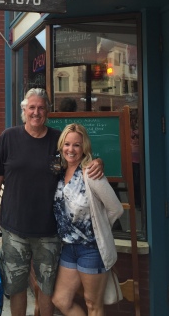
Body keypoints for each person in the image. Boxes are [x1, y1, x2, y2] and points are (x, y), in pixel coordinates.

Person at [0, 88, 103, 316]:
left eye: (41, 108)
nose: (36, 112)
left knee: (46, 289)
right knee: (16, 288)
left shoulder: (58, 141)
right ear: (24, 111)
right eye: (32, 108)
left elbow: (79, 158)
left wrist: (98, 161)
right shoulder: (8, 137)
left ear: (47, 111)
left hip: (49, 231)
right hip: (14, 229)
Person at [52, 124, 124, 316]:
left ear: (84, 147)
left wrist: (99, 227)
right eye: (67, 144)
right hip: (68, 248)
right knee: (61, 300)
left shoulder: (91, 174)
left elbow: (116, 208)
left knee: (93, 304)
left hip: (91, 249)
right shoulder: (59, 173)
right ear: (61, 146)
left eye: (77, 145)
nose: (71, 149)